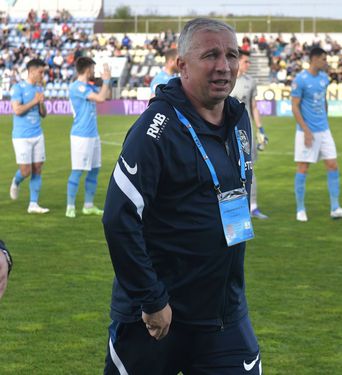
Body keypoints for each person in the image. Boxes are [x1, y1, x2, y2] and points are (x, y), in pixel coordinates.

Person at [102, 18, 261, 374]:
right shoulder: (156, 129)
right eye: (211, 55)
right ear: (182, 65)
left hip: (224, 316)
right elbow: (119, 217)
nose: (224, 65)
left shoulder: (238, 119)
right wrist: (152, 299)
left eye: (231, 55)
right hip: (158, 319)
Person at [291, 47, 342, 222]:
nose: (326, 62)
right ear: (315, 59)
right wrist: (305, 130)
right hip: (306, 131)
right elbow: (295, 106)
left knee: (333, 165)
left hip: (324, 130)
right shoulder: (300, 79)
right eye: (323, 59)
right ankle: (300, 209)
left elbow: (324, 101)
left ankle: (335, 208)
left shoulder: (324, 78)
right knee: (303, 168)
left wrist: (325, 121)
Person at [65, 57, 111, 218]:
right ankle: (70, 206)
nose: (93, 71)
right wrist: (105, 80)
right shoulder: (77, 87)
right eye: (92, 68)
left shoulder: (87, 86)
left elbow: (106, 95)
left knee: (94, 170)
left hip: (93, 134)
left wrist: (107, 81)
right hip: (81, 136)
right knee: (77, 170)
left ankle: (88, 205)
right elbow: (101, 98)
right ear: (87, 69)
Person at [231, 49, 269, 219]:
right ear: (237, 61)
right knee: (228, 169)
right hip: (227, 131)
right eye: (246, 61)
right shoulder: (226, 79)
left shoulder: (250, 81)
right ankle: (231, 205)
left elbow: (253, 106)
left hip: (246, 131)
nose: (249, 64)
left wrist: (260, 129)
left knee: (249, 168)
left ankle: (253, 207)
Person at [9, 58, 50, 214]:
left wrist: (41, 103)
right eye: (41, 72)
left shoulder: (39, 89)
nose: (42, 75)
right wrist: (35, 101)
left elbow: (44, 114)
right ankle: (16, 181)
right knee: (26, 171)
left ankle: (33, 204)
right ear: (32, 71)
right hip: (21, 136)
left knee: (37, 168)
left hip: (37, 133)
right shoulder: (18, 88)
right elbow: (17, 110)